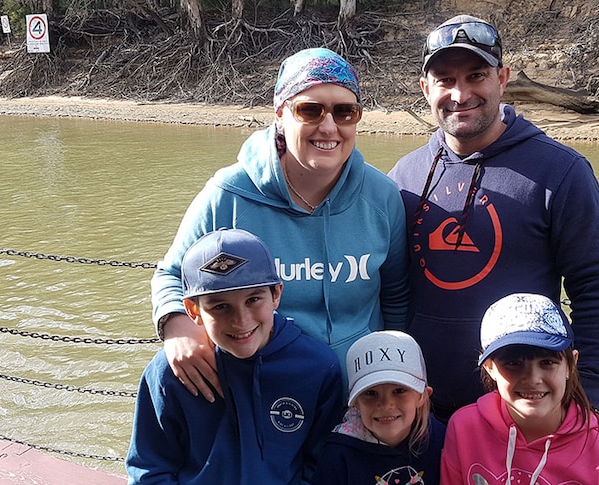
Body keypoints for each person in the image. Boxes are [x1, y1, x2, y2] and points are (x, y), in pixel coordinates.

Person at [387, 15, 599, 420]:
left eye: (476, 75)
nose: (460, 94)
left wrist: (586, 395)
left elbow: (596, 292)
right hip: (420, 410)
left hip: (522, 409)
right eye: (444, 80)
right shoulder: (403, 178)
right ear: (426, 88)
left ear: (503, 78)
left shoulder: (561, 172)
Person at [151, 47, 410, 402]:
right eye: (310, 110)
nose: (329, 126)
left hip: (359, 397)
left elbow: (396, 297)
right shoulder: (228, 195)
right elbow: (172, 275)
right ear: (280, 113)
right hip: (262, 394)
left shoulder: (382, 196)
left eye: (345, 111)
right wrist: (178, 328)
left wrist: (392, 379)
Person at [126, 228, 345, 484]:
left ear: (276, 294)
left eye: (253, 299)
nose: (240, 321)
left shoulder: (318, 367)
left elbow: (321, 464)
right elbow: (149, 468)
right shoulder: (171, 372)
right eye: (220, 306)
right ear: (192, 310)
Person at [440, 293, 599, 485]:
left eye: (547, 362)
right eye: (513, 363)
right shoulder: (464, 429)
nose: (533, 379)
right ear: (489, 368)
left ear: (571, 365)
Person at [312, 330, 445, 485]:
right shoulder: (337, 455)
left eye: (399, 391)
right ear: (355, 403)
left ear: (423, 396)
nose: (386, 404)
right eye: (371, 393)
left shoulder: (440, 438)